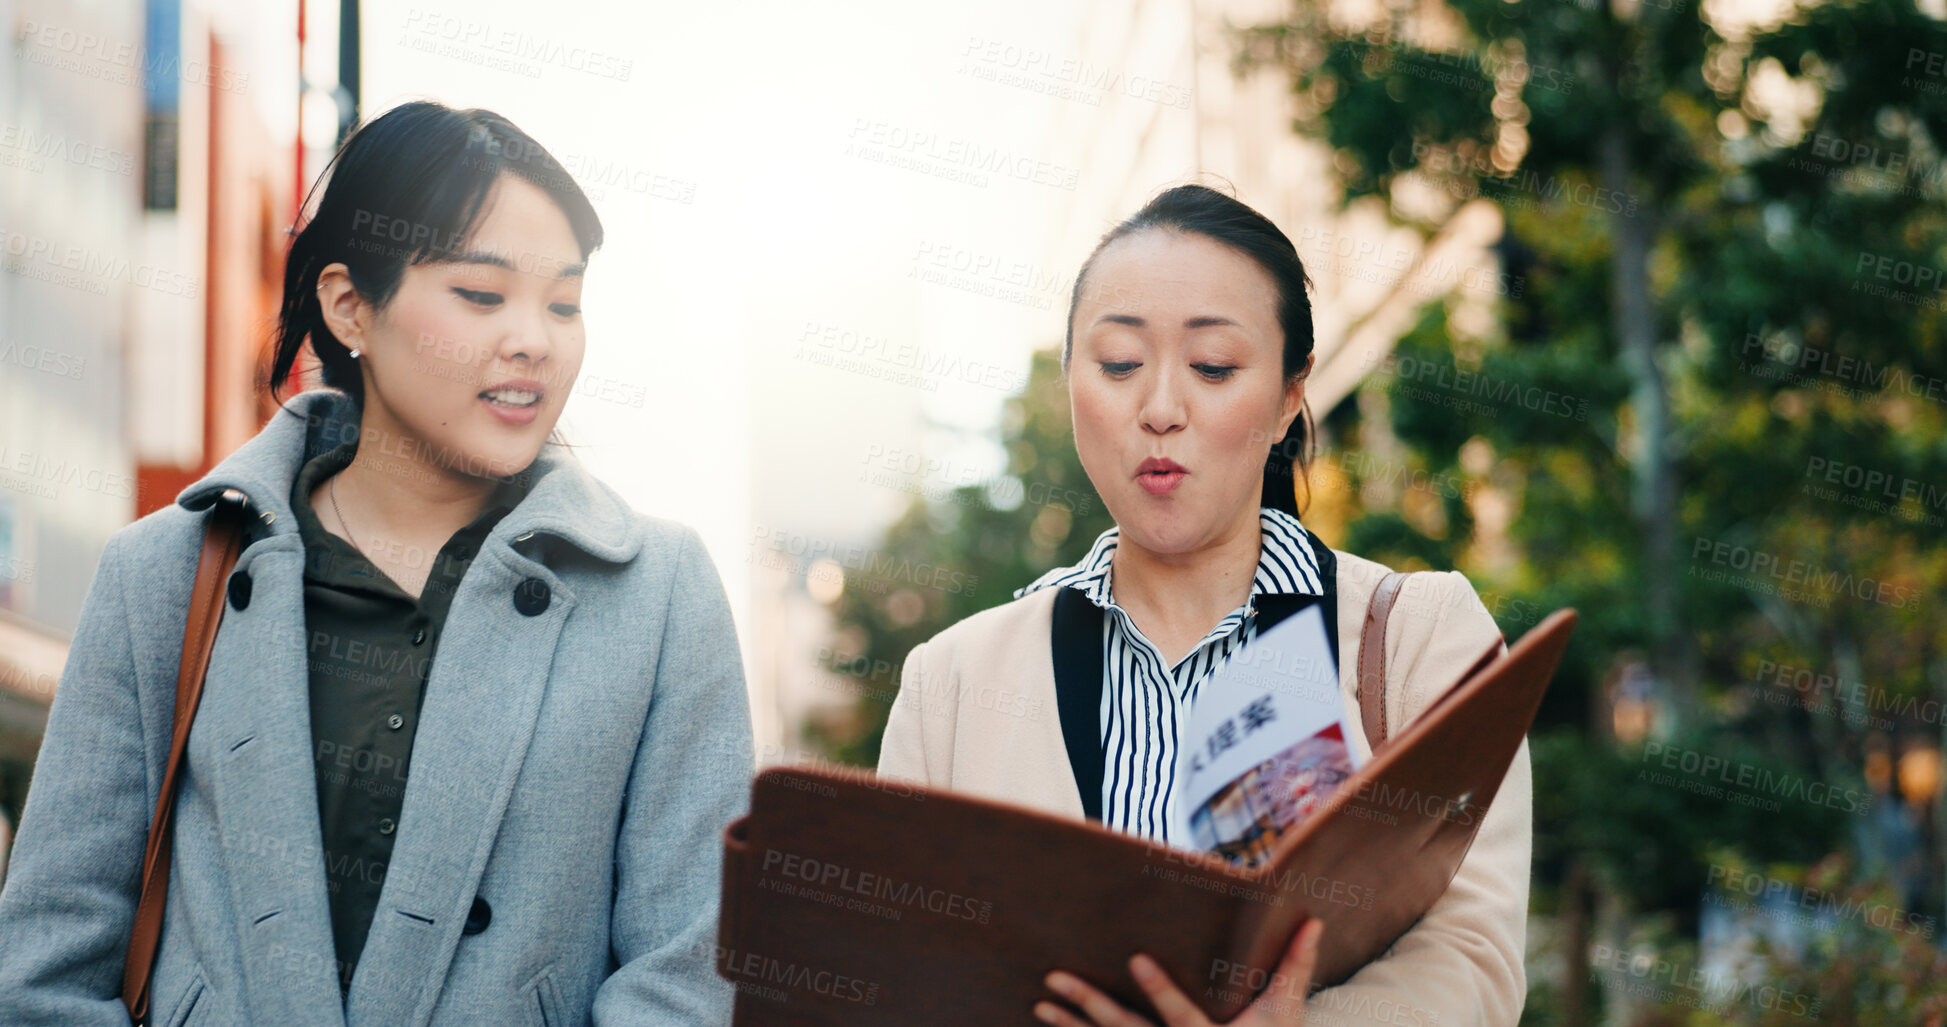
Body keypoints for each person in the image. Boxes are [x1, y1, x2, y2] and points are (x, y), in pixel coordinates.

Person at [0, 101, 753, 1025]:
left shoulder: (659, 593)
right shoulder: (166, 570)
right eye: (482, 295)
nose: (536, 339)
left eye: (564, 302)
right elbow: (47, 961)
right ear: (350, 305)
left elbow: (687, 965)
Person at [877, 184, 1530, 1026]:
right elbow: (900, 978)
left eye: (1213, 367)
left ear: (1290, 396)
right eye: (1117, 364)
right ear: (1071, 381)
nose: (1158, 410)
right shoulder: (953, 682)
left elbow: (1472, 959)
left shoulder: (1415, 637)